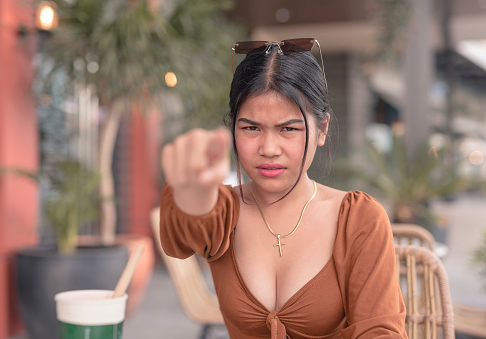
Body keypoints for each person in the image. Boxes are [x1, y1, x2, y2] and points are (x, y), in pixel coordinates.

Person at [160, 38, 408, 339]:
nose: (268, 148)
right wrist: (190, 186)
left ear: (322, 129)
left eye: (288, 129)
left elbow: (380, 331)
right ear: (232, 128)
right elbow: (189, 222)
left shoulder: (359, 220)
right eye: (251, 128)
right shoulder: (223, 213)